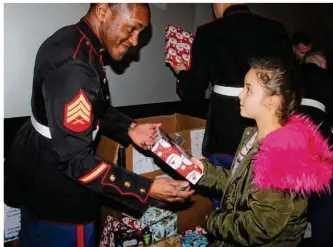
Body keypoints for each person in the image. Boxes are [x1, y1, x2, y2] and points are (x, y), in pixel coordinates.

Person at [4, 3, 194, 247]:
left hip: (38, 161)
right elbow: (75, 160)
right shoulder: (76, 66)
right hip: (59, 188)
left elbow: (91, 106)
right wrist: (145, 188)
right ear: (103, 11)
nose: (135, 42)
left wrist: (129, 127)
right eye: (132, 28)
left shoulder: (74, 39)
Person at [190, 57, 333, 246]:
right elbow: (240, 184)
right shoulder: (254, 135)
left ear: (271, 102)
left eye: (248, 89)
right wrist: (205, 172)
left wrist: (214, 221)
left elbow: (259, 226)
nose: (240, 95)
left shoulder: (282, 156)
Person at [168, 3, 294, 207]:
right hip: (270, 129)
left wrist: (181, 73)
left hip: (225, 132)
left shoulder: (208, 31)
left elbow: (193, 91)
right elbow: (291, 83)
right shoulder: (275, 28)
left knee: (224, 194)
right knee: (267, 200)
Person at [299, 50, 333, 247]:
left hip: (291, 135)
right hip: (318, 137)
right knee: (323, 195)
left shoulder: (292, 72)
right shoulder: (328, 76)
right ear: (322, 63)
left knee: (292, 193)